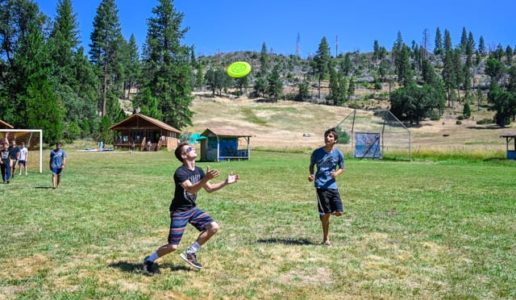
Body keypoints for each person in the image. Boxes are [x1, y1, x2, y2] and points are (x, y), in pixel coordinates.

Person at [142, 142, 239, 275]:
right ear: (184, 155)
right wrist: (205, 178)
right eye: (189, 149)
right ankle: (149, 260)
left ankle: (191, 252)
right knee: (172, 246)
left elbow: (209, 189)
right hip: (179, 211)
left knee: (214, 227)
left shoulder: (198, 170)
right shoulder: (180, 172)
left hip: (192, 209)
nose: (193, 149)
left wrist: (225, 182)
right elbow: (191, 189)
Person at [308, 128, 345, 246]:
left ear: (335, 140)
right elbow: (311, 165)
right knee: (327, 214)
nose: (327, 138)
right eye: (326, 136)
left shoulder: (338, 153)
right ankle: (326, 238)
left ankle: (323, 213)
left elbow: (342, 168)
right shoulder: (317, 152)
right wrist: (312, 175)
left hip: (333, 186)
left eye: (330, 136)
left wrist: (336, 174)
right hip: (320, 185)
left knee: (339, 212)